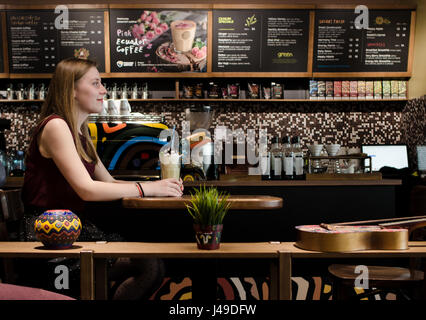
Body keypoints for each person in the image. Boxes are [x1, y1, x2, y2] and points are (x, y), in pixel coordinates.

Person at [20, 57, 183, 300]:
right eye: (95, 83)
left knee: (153, 265)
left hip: (72, 230)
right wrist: (147, 189)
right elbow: (87, 190)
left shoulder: (79, 131)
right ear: (72, 90)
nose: (103, 90)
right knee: (149, 266)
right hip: (48, 235)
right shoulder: (56, 126)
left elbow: (108, 182)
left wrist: (159, 187)